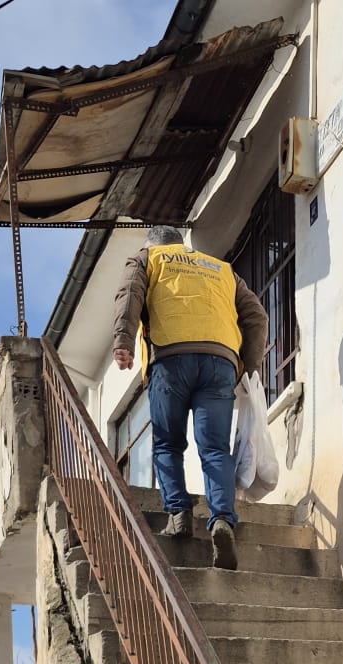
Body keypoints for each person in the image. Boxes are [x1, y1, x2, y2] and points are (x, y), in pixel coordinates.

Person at [112, 225, 270, 571]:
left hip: (170, 358)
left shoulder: (148, 258)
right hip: (221, 363)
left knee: (168, 443)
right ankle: (222, 519)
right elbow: (257, 316)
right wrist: (248, 366)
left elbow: (130, 294)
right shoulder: (222, 270)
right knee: (215, 448)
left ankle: (178, 514)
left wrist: (123, 342)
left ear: (152, 245)